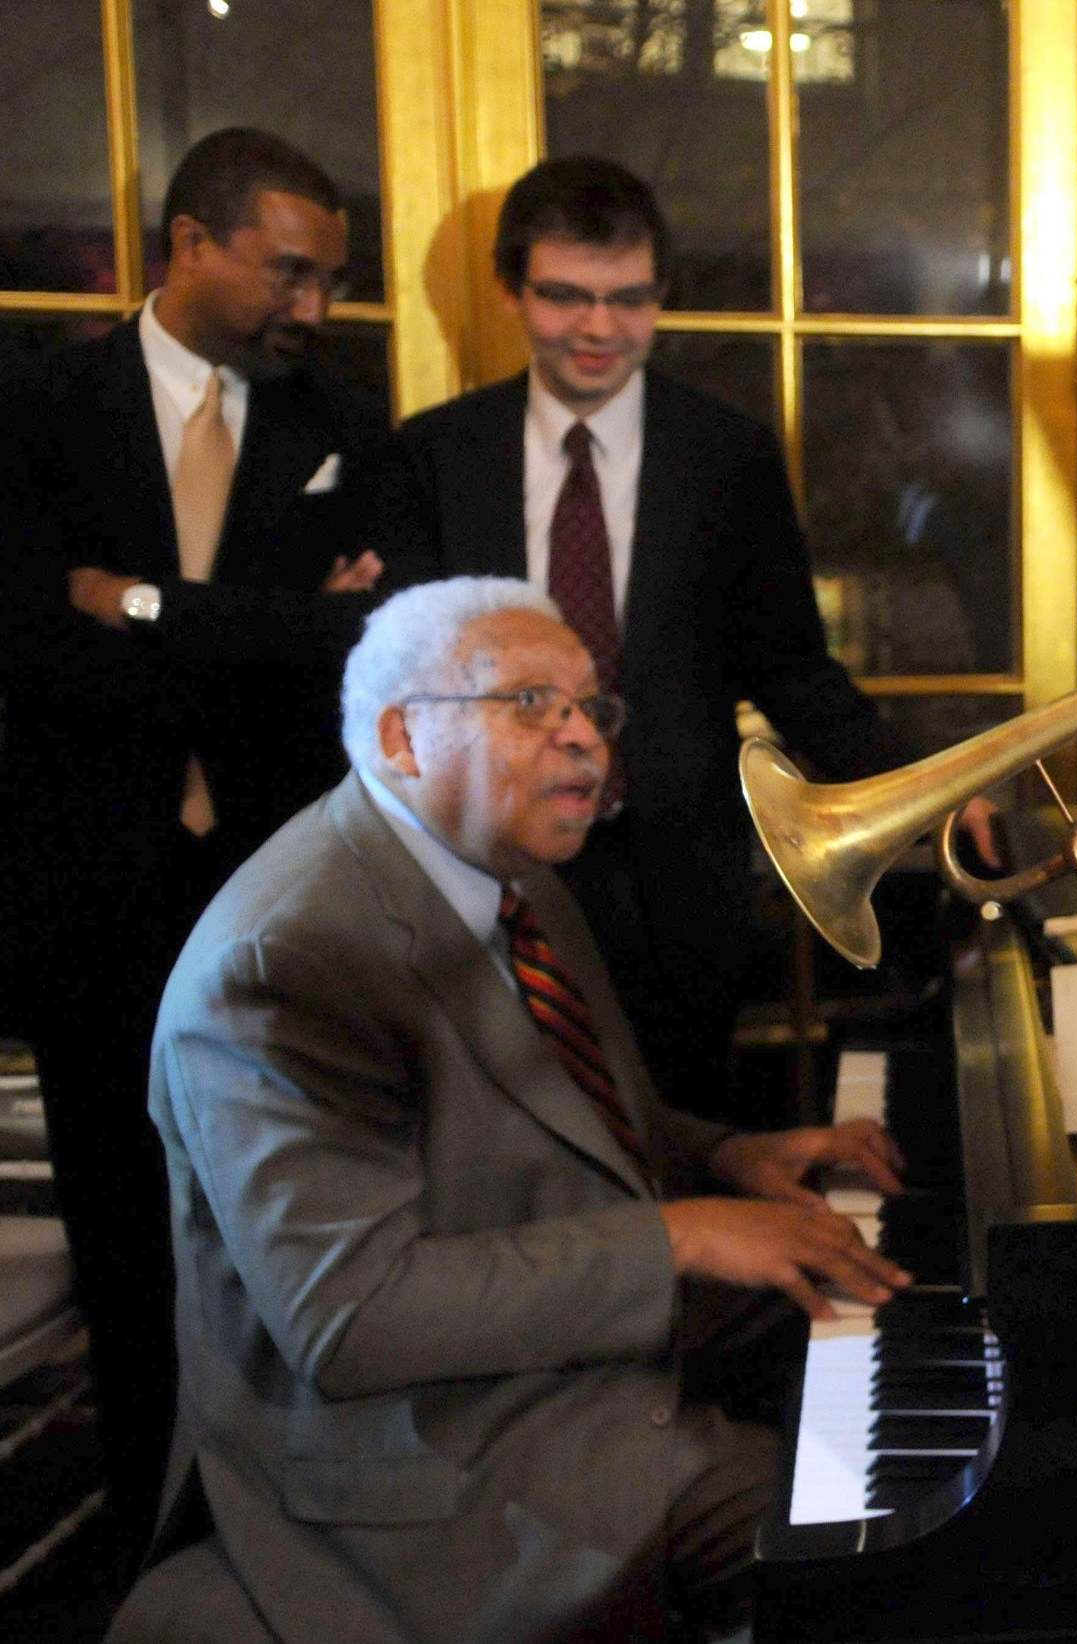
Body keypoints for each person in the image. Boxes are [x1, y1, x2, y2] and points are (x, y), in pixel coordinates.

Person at [108, 577, 912, 1644]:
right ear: (402, 736)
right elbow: (351, 1319)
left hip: (550, 1366)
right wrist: (678, 1232)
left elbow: (546, 1113)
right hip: (418, 1456)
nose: (585, 740)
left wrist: (728, 1153)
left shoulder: (509, 872)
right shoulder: (287, 960)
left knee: (905, 1309)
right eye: (532, 704)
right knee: (868, 1522)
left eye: (591, 707)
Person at [361, 156, 996, 1130]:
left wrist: (926, 795)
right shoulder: (434, 454)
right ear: (510, 291)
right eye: (565, 296)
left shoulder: (725, 457)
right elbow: (402, 686)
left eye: (628, 299)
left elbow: (791, 669)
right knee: (504, 1151)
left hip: (677, 885)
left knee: (684, 1150)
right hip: (485, 874)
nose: (598, 329)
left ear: (660, 296)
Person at [0, 127, 403, 1570]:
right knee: (122, 1228)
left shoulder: (340, 427)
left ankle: (300, 1531)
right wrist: (255, 623)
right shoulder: (34, 408)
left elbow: (349, 643)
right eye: (290, 270)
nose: (316, 306)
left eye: (333, 279)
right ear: (189, 244)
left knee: (285, 1221)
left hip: (274, 890)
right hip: (89, 885)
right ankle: (147, 1544)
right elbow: (25, 645)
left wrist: (143, 606)